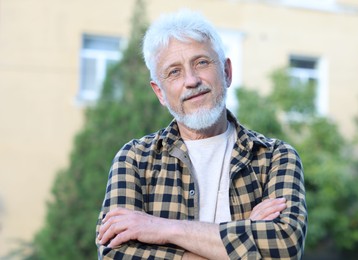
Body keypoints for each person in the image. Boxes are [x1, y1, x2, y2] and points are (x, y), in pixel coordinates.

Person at [96, 9, 307, 260]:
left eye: (202, 62)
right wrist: (241, 240)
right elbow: (114, 254)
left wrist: (162, 228)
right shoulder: (134, 159)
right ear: (160, 93)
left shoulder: (275, 157)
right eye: (174, 72)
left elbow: (284, 246)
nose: (192, 80)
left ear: (227, 72)